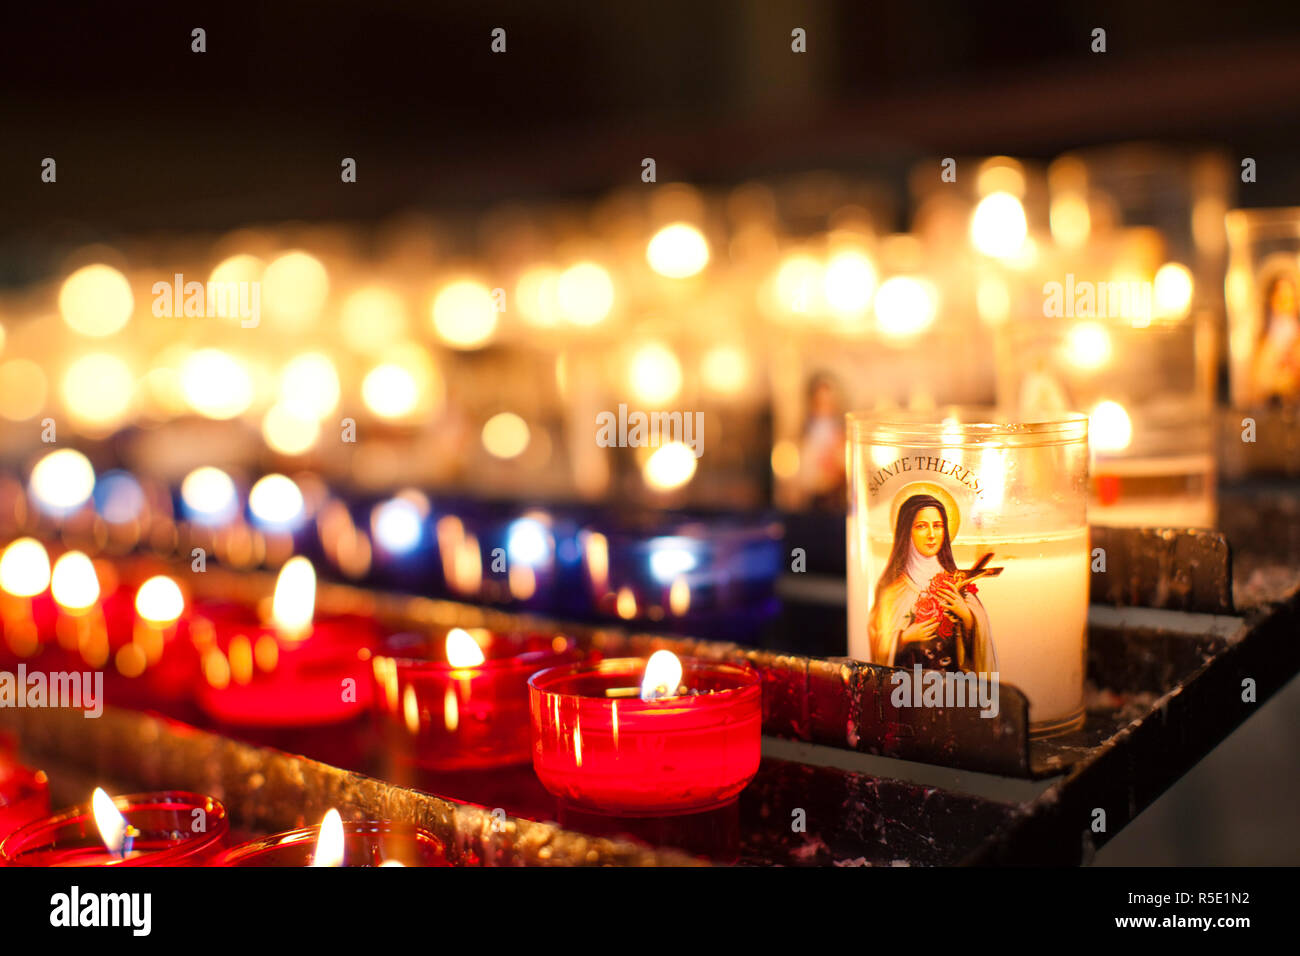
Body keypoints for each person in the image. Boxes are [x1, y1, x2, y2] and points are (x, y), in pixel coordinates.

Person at [868, 491, 995, 674]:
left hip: (952, 690)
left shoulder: (956, 584)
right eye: (921, 526)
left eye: (937, 526)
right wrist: (904, 637)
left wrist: (965, 615)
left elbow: (981, 647)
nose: (931, 535)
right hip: (907, 691)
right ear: (907, 531)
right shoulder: (893, 592)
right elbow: (876, 643)